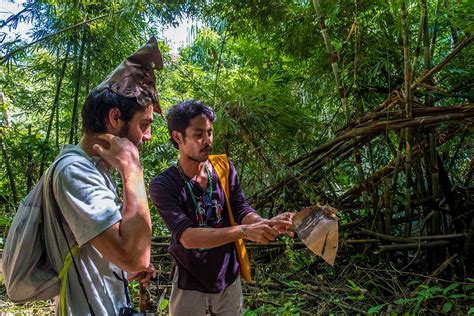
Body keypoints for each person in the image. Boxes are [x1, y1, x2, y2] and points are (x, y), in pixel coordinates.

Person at [43, 37, 163, 315]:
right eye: (144, 125)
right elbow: (135, 257)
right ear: (115, 118)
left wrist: (123, 269)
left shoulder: (95, 171)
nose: (148, 136)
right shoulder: (75, 171)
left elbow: (110, 253)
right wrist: (132, 168)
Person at [149, 100, 293, 315]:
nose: (207, 140)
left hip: (228, 276)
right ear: (178, 137)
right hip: (190, 280)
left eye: (209, 132)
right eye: (198, 134)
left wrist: (264, 223)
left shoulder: (223, 168)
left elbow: (239, 209)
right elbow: (187, 237)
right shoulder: (164, 184)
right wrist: (244, 232)